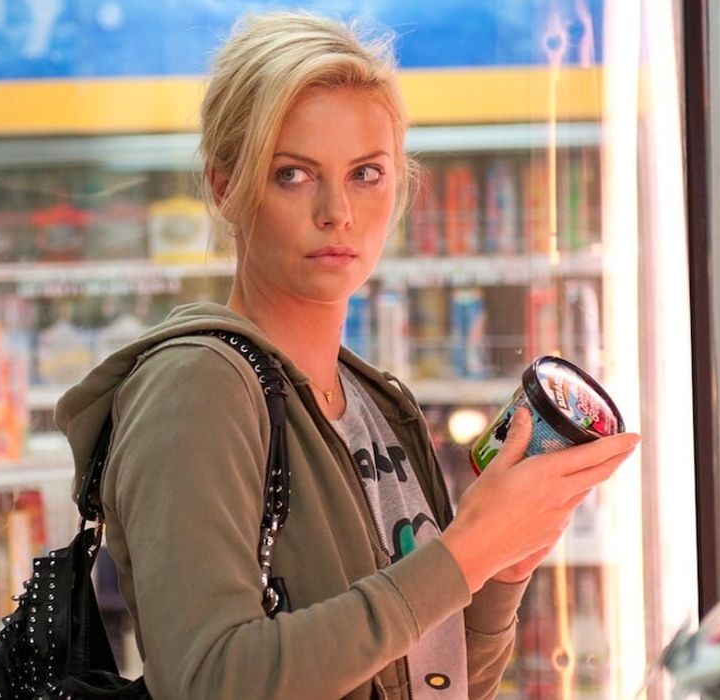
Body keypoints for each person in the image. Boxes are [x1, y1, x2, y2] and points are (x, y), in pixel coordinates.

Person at [56, 11, 641, 700]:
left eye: (366, 173)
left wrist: (507, 561)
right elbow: (210, 680)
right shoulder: (198, 386)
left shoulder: (376, 403)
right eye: (294, 175)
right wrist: (466, 552)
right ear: (225, 186)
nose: (338, 211)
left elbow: (438, 680)